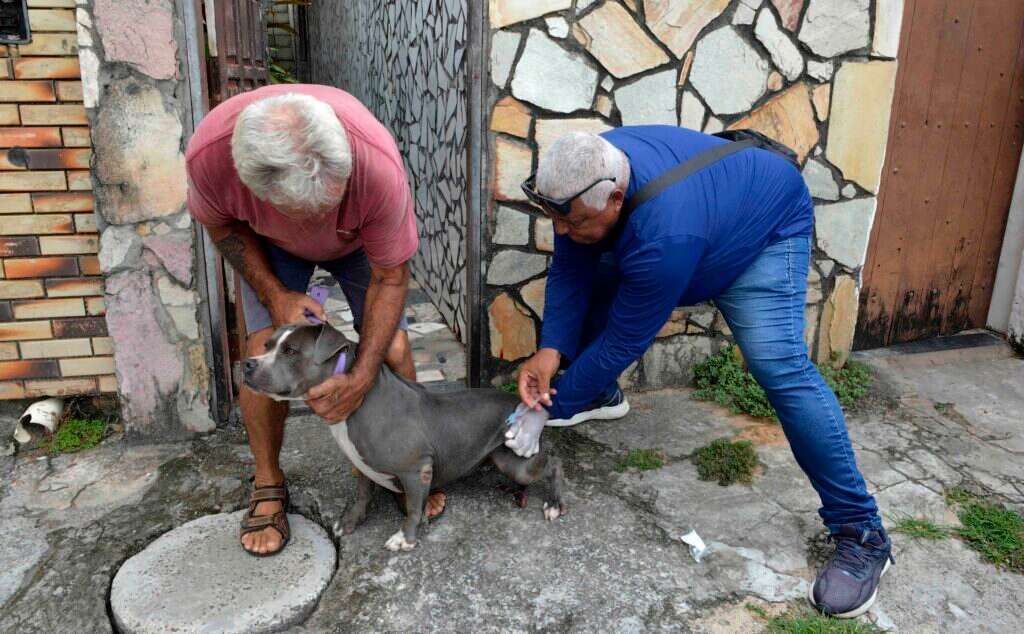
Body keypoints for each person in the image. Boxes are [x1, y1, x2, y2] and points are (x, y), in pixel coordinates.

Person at [511, 127, 893, 618]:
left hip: (764, 229)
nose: (561, 232)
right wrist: (551, 352)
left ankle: (862, 532)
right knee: (597, 260)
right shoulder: (586, 172)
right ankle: (599, 396)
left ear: (617, 198)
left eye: (573, 221)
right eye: (554, 219)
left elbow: (625, 339)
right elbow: (570, 268)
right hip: (702, 225)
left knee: (778, 366)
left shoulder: (664, 234)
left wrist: (546, 408)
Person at [186, 85, 445, 556]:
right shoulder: (209, 158)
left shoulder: (375, 167)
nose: (317, 222)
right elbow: (220, 225)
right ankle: (267, 481)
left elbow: (391, 279)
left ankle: (413, 461)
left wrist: (361, 377)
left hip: (358, 245)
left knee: (394, 349)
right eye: (306, 213)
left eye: (330, 204)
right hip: (269, 250)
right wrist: (275, 293)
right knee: (262, 349)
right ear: (252, 184)